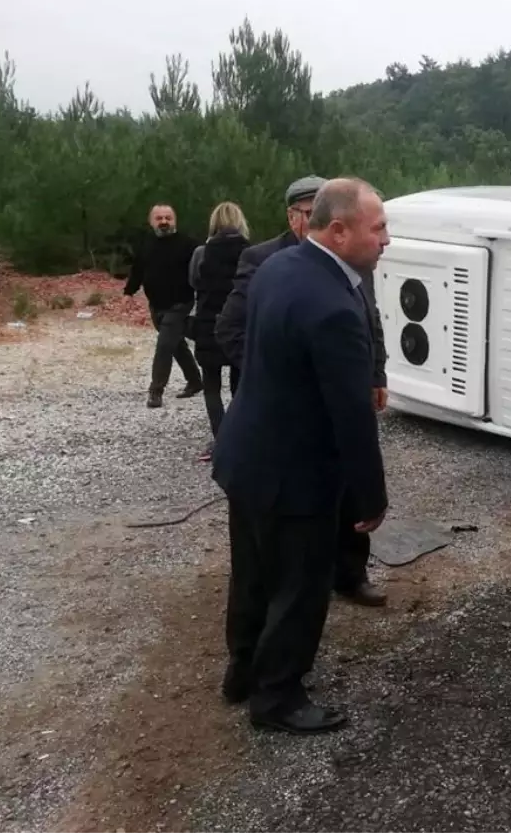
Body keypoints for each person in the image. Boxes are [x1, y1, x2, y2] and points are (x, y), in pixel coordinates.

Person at [211, 177, 392, 735]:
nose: (388, 239)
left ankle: (242, 671)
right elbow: (351, 414)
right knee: (299, 589)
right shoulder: (334, 303)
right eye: (379, 227)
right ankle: (277, 698)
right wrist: (371, 495)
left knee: (253, 574)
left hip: (247, 456)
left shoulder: (276, 267)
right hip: (296, 475)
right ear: (337, 231)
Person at [123, 204, 203, 408]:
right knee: (176, 343)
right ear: (151, 222)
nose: (164, 222)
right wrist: (128, 292)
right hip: (156, 305)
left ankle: (156, 391)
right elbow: (137, 270)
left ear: (174, 220)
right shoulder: (145, 244)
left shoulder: (189, 245)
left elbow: (201, 271)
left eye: (168, 218)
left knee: (165, 345)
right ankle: (195, 381)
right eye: (159, 218)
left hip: (180, 303)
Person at [188, 201, 250, 460]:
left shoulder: (202, 253)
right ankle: (240, 438)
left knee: (212, 387)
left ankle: (220, 440)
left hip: (209, 323)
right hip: (240, 325)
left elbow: (193, 282)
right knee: (240, 386)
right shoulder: (251, 253)